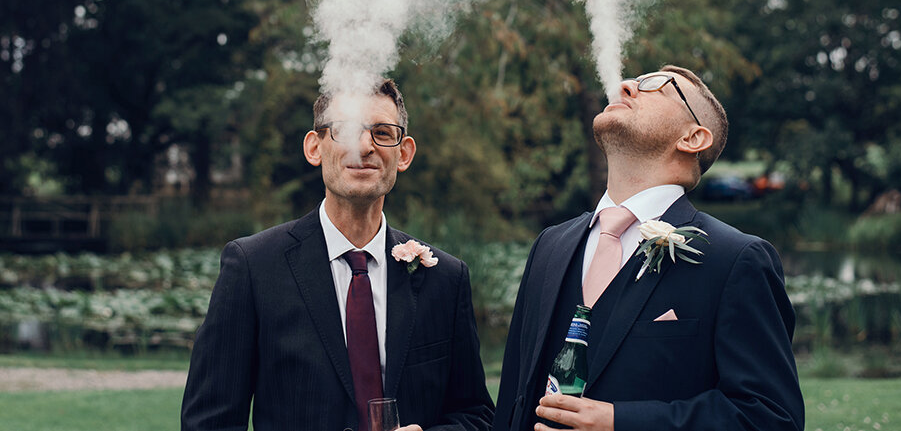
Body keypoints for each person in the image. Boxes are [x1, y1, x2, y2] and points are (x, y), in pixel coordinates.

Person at [493, 66, 804, 431]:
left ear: (693, 138)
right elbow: (513, 396)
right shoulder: (550, 245)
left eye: (654, 86)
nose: (624, 86)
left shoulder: (736, 259)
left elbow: (770, 417)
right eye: (632, 80)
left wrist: (618, 422)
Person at [181, 78, 494, 431]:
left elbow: (477, 416)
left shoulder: (445, 278)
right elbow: (209, 422)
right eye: (344, 130)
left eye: (382, 132)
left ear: (403, 153)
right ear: (314, 148)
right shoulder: (253, 268)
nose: (363, 147)